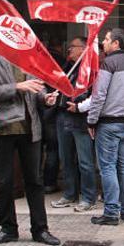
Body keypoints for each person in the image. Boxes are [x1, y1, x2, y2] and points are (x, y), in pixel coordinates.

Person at [0, 52, 60, 246]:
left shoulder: (27, 54)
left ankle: (40, 229)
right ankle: (8, 228)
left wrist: (45, 98)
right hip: (3, 127)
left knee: (35, 180)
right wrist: (16, 87)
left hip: (31, 127)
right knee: (4, 181)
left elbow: (36, 88)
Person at [87, 28, 124, 226]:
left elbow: (99, 95)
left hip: (109, 123)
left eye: (106, 39)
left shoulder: (108, 63)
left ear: (116, 43)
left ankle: (111, 212)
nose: (103, 42)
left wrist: (91, 120)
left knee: (108, 167)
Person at [49, 37, 98, 213]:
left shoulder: (91, 69)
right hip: (63, 116)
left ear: (84, 49)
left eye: (73, 47)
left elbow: (95, 95)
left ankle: (88, 197)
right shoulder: (68, 66)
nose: (69, 50)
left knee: (85, 161)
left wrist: (79, 105)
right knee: (66, 159)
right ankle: (70, 194)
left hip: (81, 117)